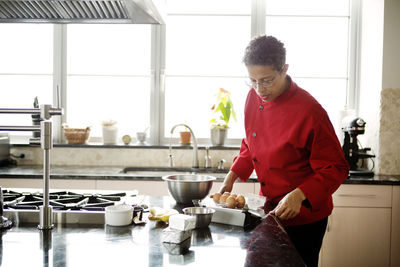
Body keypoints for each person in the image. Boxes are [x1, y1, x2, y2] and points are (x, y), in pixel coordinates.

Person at [219, 35, 349, 267]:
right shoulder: (253, 97)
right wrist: (233, 175)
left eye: (267, 80)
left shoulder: (310, 111)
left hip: (303, 219)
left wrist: (298, 195)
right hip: (269, 211)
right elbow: (252, 141)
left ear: (284, 69)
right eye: (253, 81)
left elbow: (336, 168)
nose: (260, 89)